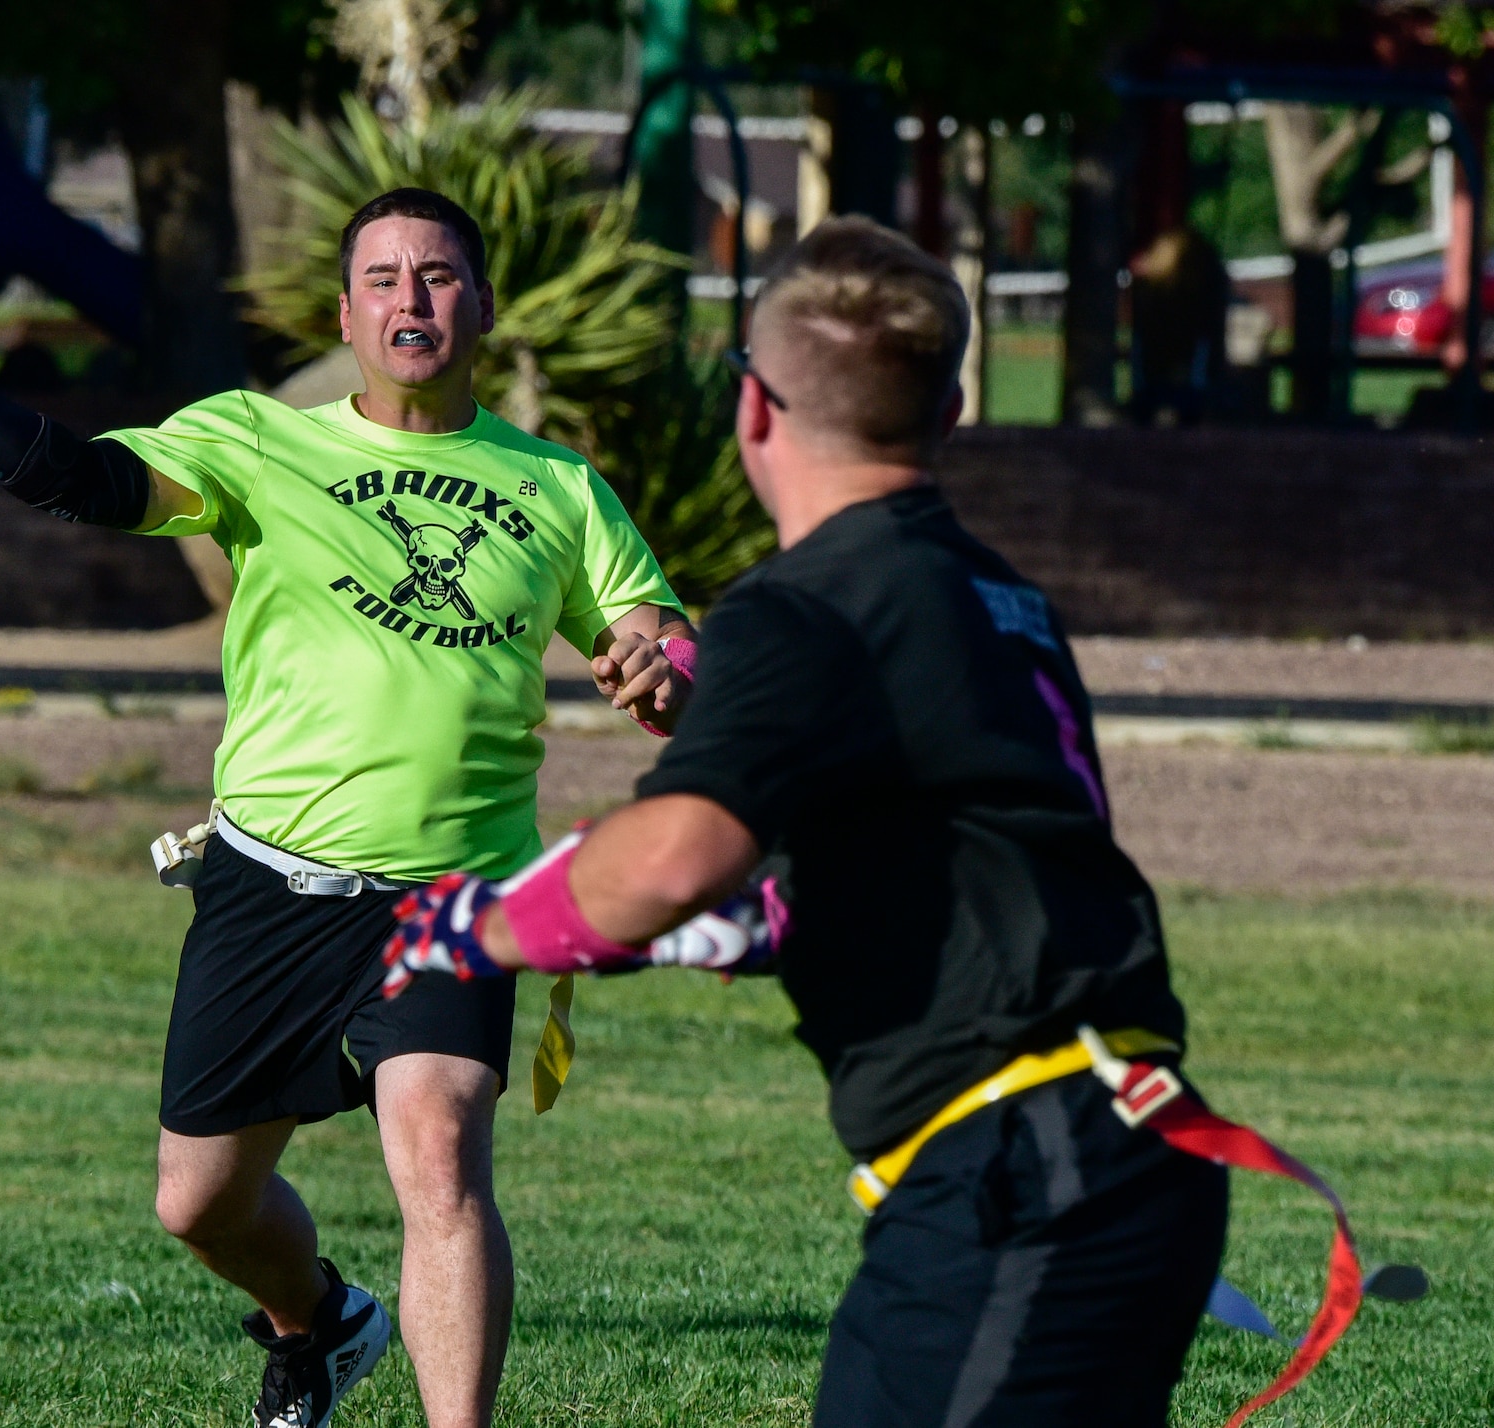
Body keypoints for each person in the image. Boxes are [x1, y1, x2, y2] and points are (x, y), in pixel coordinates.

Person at [0, 188, 693, 1428]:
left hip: (455, 892)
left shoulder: (556, 488)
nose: (410, 299)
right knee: (198, 1203)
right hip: (270, 882)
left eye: (437, 276)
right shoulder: (256, 440)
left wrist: (660, 668)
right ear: (345, 311)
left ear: (481, 307)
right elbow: (85, 481)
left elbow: (656, 637)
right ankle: (320, 1322)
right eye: (381, 279)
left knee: (438, 1157)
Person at [383, 217, 1231, 1426]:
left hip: (1019, 1177)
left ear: (753, 413)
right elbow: (973, 841)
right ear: (949, 415)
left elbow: (667, 854)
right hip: (1107, 1154)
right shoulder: (996, 595)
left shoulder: (800, 609)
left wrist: (473, 926)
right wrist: (787, 912)